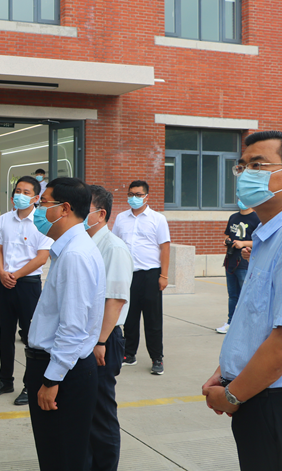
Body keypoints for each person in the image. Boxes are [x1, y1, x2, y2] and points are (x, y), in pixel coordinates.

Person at [202, 131, 282, 471]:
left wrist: (233, 395)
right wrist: (225, 373)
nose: (245, 174)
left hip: (277, 405)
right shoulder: (267, 236)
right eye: (243, 166)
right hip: (256, 394)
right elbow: (255, 321)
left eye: (257, 165)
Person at [25, 177, 106, 471]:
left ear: (65, 209)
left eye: (43, 203)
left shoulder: (74, 255)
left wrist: (51, 380)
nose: (37, 209)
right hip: (59, 368)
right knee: (59, 453)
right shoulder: (71, 249)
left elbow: (73, 327)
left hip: (62, 373)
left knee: (62, 457)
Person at [0, 176, 52, 406]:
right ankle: (5, 380)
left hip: (28, 285)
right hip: (5, 283)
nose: (20, 195)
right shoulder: (3, 219)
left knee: (31, 338)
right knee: (5, 335)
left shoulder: (43, 222)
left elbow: (42, 256)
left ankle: (29, 385)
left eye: (26, 192)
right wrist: (2, 272)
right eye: (17, 191)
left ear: (36, 198)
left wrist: (16, 275)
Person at [85, 185, 133, 471]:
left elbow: (115, 300)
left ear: (101, 214)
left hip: (103, 338)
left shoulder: (113, 248)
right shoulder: (84, 243)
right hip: (89, 337)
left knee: (101, 412)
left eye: (83, 208)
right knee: (86, 411)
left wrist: (100, 342)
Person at [112, 180, 170, 375]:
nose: (134, 198)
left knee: (153, 320)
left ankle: (157, 358)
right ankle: (129, 354)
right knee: (129, 317)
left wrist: (163, 275)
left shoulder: (157, 219)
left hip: (151, 275)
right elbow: (115, 244)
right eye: (131, 194)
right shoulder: (121, 218)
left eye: (138, 194)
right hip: (128, 275)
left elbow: (165, 248)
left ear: (147, 196)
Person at [217, 201, 259, 334]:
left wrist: (243, 243)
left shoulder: (256, 218)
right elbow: (228, 234)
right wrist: (227, 241)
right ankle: (231, 322)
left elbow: (259, 240)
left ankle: (246, 324)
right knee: (232, 295)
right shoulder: (233, 217)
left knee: (246, 295)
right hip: (231, 261)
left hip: (245, 263)